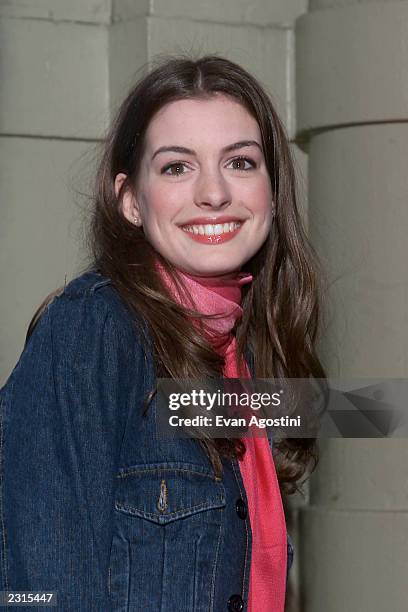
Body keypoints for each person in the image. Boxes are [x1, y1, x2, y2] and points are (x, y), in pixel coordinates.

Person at [0, 55, 325, 611]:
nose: (215, 193)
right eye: (177, 167)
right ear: (130, 200)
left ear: (273, 191)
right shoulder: (93, 331)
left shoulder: (243, 350)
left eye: (241, 162)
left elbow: (359, 410)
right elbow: (41, 593)